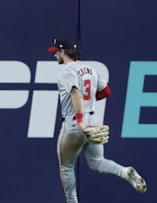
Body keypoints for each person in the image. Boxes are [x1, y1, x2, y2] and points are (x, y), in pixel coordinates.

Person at [47, 37, 147, 203]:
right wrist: (88, 103)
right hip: (93, 121)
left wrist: (80, 121)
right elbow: (106, 91)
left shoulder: (65, 72)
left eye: (56, 51)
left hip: (74, 124)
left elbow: (76, 94)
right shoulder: (91, 69)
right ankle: (124, 171)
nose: (55, 55)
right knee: (97, 162)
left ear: (63, 52)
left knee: (66, 167)